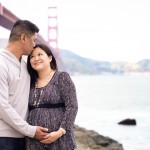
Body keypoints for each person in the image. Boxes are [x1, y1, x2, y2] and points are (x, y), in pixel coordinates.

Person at [0, 20, 48, 150]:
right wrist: (31, 131)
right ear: (23, 38)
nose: (34, 45)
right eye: (33, 40)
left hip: (23, 137)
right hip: (4, 138)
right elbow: (2, 106)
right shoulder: (1, 64)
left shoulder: (25, 66)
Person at [26, 44, 78, 150]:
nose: (36, 58)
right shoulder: (29, 82)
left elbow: (72, 107)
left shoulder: (61, 77)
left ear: (50, 58)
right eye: (32, 56)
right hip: (34, 143)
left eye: (40, 54)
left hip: (60, 141)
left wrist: (60, 132)